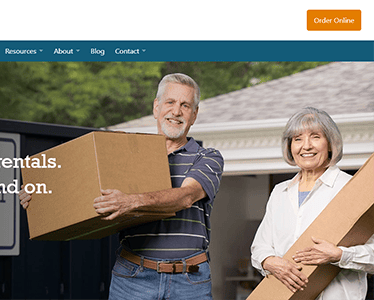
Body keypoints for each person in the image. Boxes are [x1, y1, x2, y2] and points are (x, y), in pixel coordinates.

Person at [20, 73, 224, 300]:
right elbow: (82, 189)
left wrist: (131, 201)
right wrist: (42, 197)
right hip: (133, 278)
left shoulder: (208, 157)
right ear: (156, 108)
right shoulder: (126, 156)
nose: (176, 111)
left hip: (189, 281)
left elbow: (186, 196)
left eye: (185, 105)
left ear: (194, 115)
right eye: (170, 102)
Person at [250, 107, 374, 299]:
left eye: (315, 136)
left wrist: (339, 255)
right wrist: (269, 261)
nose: (305, 146)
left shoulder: (353, 190)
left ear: (331, 144)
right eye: (297, 139)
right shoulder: (280, 193)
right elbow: (260, 246)